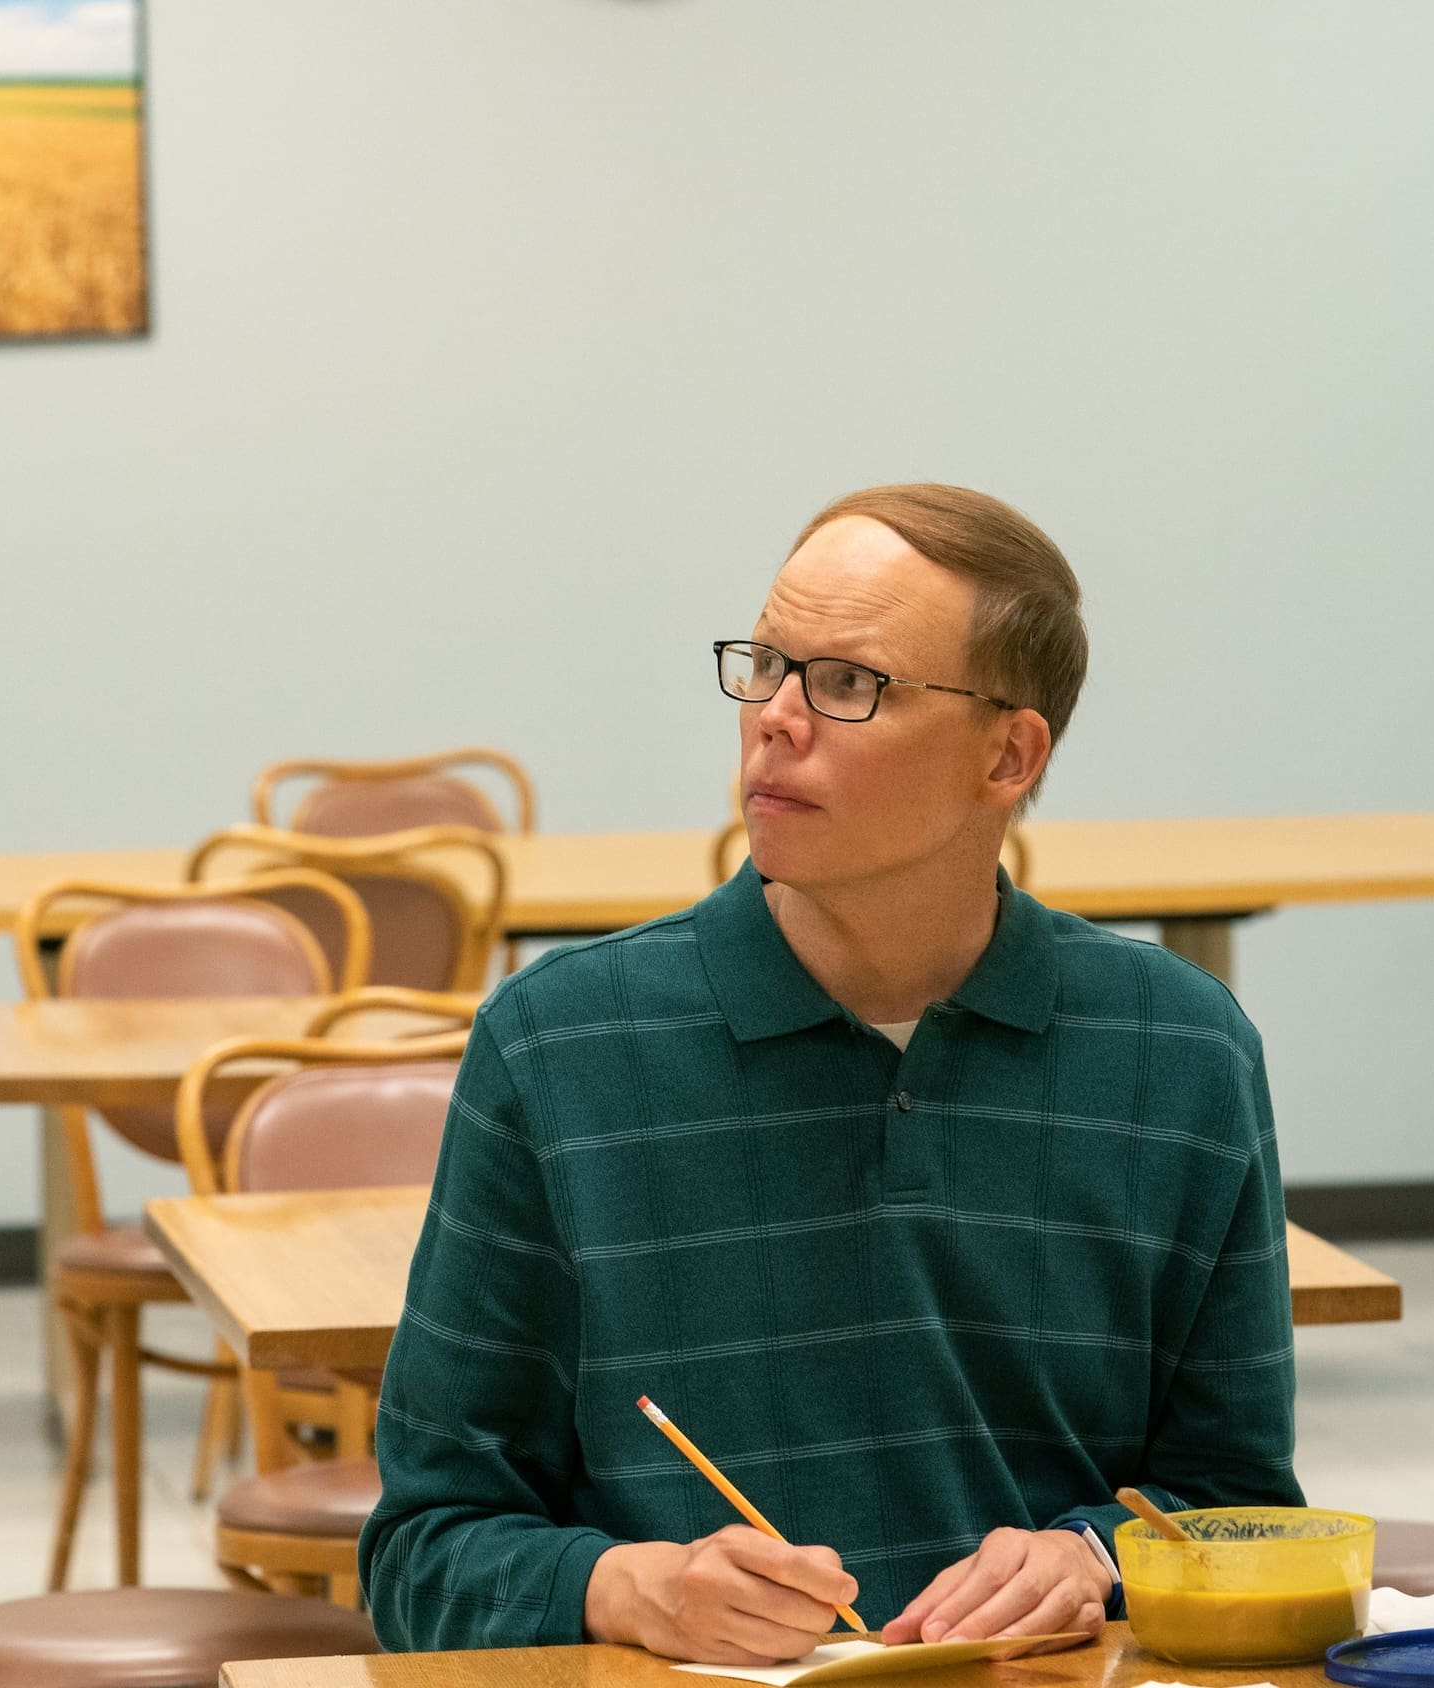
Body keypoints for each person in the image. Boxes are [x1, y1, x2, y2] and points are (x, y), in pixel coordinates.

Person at [360, 485, 1303, 1665]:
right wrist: (628, 1586)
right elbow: (421, 1550)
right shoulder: (557, 1044)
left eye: (849, 683)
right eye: (766, 664)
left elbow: (1240, 1506)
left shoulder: (1183, 1048)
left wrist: (1094, 1556)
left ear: (1008, 753)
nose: (774, 718)